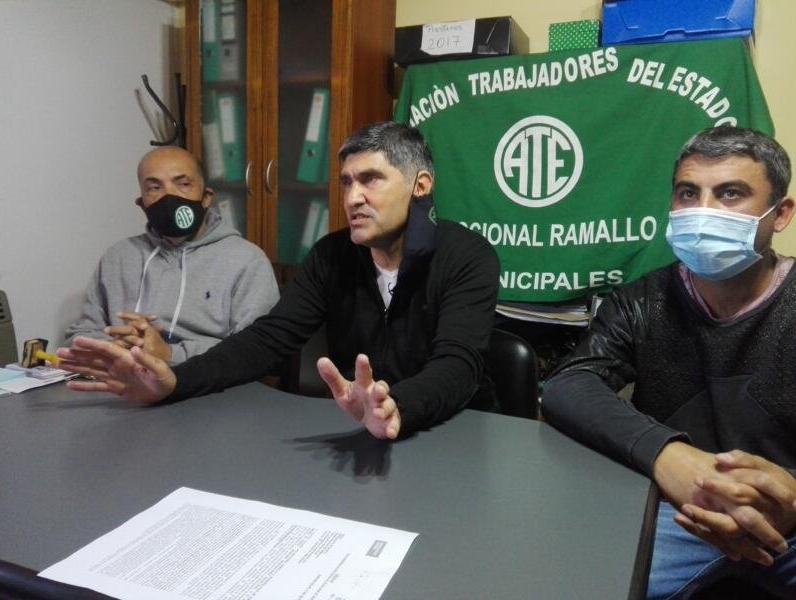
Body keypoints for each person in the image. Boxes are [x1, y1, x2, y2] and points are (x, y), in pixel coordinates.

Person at [59, 122, 500, 439]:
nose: (352, 197)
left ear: (420, 186)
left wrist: (396, 407)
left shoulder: (467, 256)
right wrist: (176, 382)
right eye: (346, 182)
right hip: (357, 431)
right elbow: (268, 339)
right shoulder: (331, 255)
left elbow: (458, 365)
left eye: (370, 180)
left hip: (450, 430)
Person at [543, 126, 796, 599]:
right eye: (688, 193)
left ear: (780, 214)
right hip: (677, 509)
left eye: (730, 193)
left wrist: (789, 500)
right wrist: (667, 456)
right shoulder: (642, 300)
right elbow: (569, 384)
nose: (703, 211)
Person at [63, 146, 279, 365]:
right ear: (142, 204)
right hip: (122, 378)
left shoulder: (247, 260)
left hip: (206, 381)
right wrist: (115, 348)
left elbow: (255, 351)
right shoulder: (118, 257)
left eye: (183, 184)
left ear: (206, 197)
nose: (169, 196)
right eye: (154, 187)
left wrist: (168, 354)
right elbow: (79, 336)